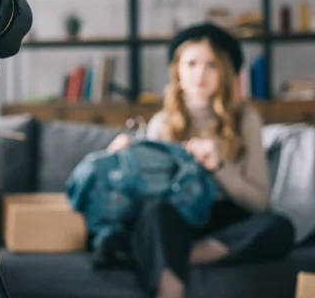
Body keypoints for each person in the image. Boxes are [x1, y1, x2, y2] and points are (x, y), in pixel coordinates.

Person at [106, 23, 295, 298]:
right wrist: (121, 162)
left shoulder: (245, 119)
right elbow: (144, 199)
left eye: (212, 65)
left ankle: (175, 256)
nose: (200, 74)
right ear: (177, 71)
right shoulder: (161, 123)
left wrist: (219, 166)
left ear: (225, 73)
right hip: (175, 219)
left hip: (224, 222)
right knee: (155, 213)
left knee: (279, 227)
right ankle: (170, 289)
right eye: (191, 63)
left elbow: (259, 202)